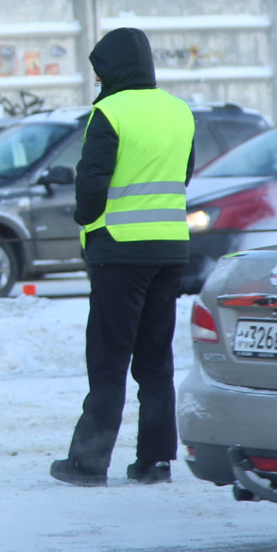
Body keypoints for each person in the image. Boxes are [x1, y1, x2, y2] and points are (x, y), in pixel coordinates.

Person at [52, 26, 195, 488]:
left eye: (99, 73)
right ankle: (155, 462)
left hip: (119, 252)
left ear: (112, 70)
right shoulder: (179, 111)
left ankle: (89, 463)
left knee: (109, 359)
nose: (98, 82)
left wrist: (85, 218)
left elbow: (92, 181)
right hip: (171, 249)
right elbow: (185, 174)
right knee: (156, 361)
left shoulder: (109, 112)